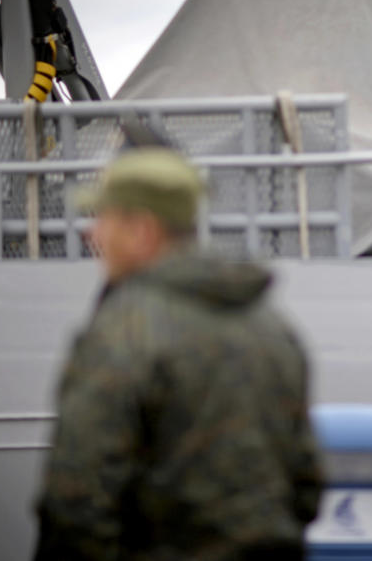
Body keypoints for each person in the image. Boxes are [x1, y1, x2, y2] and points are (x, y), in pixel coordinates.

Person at [34, 148, 322, 560]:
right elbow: (307, 485)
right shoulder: (273, 327)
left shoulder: (123, 333)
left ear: (142, 231)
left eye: (105, 219)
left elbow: (76, 502)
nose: (93, 234)